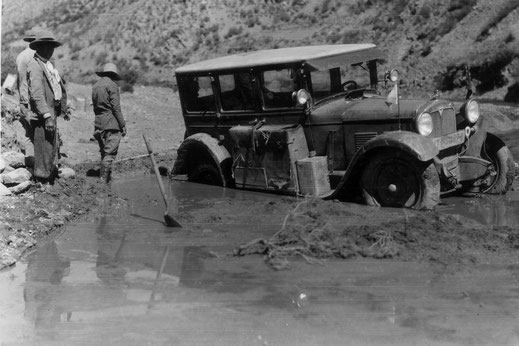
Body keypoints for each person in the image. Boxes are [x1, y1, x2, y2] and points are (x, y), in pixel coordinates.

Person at [27, 30, 68, 184]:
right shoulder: (36, 66)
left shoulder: (47, 65)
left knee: (50, 145)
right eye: (49, 47)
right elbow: (37, 94)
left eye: (52, 47)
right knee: (43, 145)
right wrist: (47, 116)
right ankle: (42, 179)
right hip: (43, 115)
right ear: (41, 47)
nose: (51, 50)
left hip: (50, 112)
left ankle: (47, 176)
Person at [92, 62, 127, 183]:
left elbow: (95, 107)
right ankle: (103, 181)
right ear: (113, 75)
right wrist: (122, 124)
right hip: (111, 123)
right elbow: (116, 108)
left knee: (104, 152)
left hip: (99, 123)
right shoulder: (112, 85)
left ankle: (106, 181)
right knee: (110, 154)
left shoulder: (96, 86)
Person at [16, 30, 37, 164]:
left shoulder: (22, 55)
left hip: (26, 100)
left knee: (30, 134)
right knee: (34, 134)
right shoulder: (32, 56)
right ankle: (35, 166)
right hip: (31, 101)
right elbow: (27, 82)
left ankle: (31, 166)